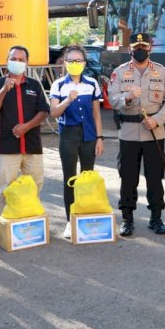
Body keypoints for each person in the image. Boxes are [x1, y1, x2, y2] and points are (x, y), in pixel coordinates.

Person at [107, 32, 165, 236]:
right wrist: (127, 98)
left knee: (155, 176)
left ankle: (156, 217)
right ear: (130, 49)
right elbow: (112, 98)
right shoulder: (119, 73)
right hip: (128, 133)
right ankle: (127, 218)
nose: (140, 50)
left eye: (143, 47)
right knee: (128, 177)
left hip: (154, 131)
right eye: (136, 47)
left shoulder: (161, 72)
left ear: (150, 49)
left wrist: (157, 119)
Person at [0, 45, 50, 243]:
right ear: (7, 60)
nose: (18, 62)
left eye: (22, 59)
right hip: (7, 147)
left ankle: (31, 223)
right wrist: (5, 88)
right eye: (14, 58)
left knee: (35, 185)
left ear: (27, 62)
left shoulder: (34, 85)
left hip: (32, 145)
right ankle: (2, 226)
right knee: (5, 188)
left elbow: (44, 111)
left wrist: (26, 127)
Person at [49, 44, 105, 240]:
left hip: (89, 135)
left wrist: (100, 138)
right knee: (70, 179)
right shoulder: (59, 85)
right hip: (68, 135)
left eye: (78, 60)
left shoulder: (91, 83)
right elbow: (54, 112)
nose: (74, 64)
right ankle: (69, 220)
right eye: (70, 60)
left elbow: (97, 113)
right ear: (65, 63)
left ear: (84, 62)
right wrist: (67, 101)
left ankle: (86, 217)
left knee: (87, 176)